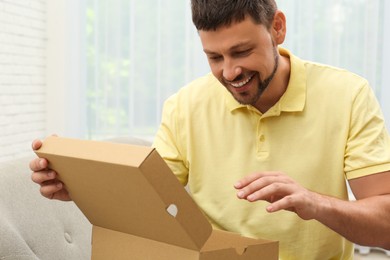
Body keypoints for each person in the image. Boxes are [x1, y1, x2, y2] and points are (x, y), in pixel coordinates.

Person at [30, 0, 390, 259]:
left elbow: (385, 225)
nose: (230, 72)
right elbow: (150, 203)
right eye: (214, 58)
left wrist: (316, 203)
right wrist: (81, 185)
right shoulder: (185, 106)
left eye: (242, 51)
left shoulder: (347, 95)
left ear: (277, 28)